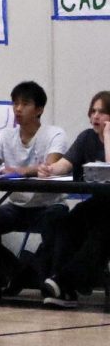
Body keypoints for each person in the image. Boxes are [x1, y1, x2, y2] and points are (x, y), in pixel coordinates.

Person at [0, 80, 67, 292]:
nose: (18, 109)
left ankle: (45, 277)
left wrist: (20, 170)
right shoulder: (6, 136)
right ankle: (16, 271)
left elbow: (52, 165)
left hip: (49, 205)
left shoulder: (55, 134)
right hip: (17, 206)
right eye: (15, 104)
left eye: (25, 104)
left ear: (39, 109)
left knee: (57, 225)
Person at [36, 90, 110, 308]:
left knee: (102, 232)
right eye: (93, 111)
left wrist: (108, 136)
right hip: (99, 203)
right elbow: (66, 163)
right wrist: (49, 169)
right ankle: (63, 288)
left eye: (103, 112)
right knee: (68, 223)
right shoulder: (86, 137)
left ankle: (62, 282)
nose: (96, 116)